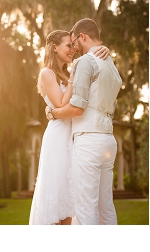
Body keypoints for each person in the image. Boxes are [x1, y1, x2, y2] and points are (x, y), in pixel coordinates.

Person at [46, 18, 123, 225]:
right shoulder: (111, 64)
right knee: (106, 206)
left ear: (83, 37)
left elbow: (77, 108)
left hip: (89, 141)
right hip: (108, 140)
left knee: (86, 208)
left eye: (73, 43)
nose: (73, 49)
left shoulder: (84, 62)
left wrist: (53, 114)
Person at [29, 30, 109, 225]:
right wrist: (74, 75)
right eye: (68, 45)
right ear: (54, 47)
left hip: (72, 138)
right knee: (57, 196)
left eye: (74, 46)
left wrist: (103, 49)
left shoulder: (65, 74)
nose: (73, 50)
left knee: (70, 199)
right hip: (57, 139)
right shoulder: (47, 73)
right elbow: (61, 103)